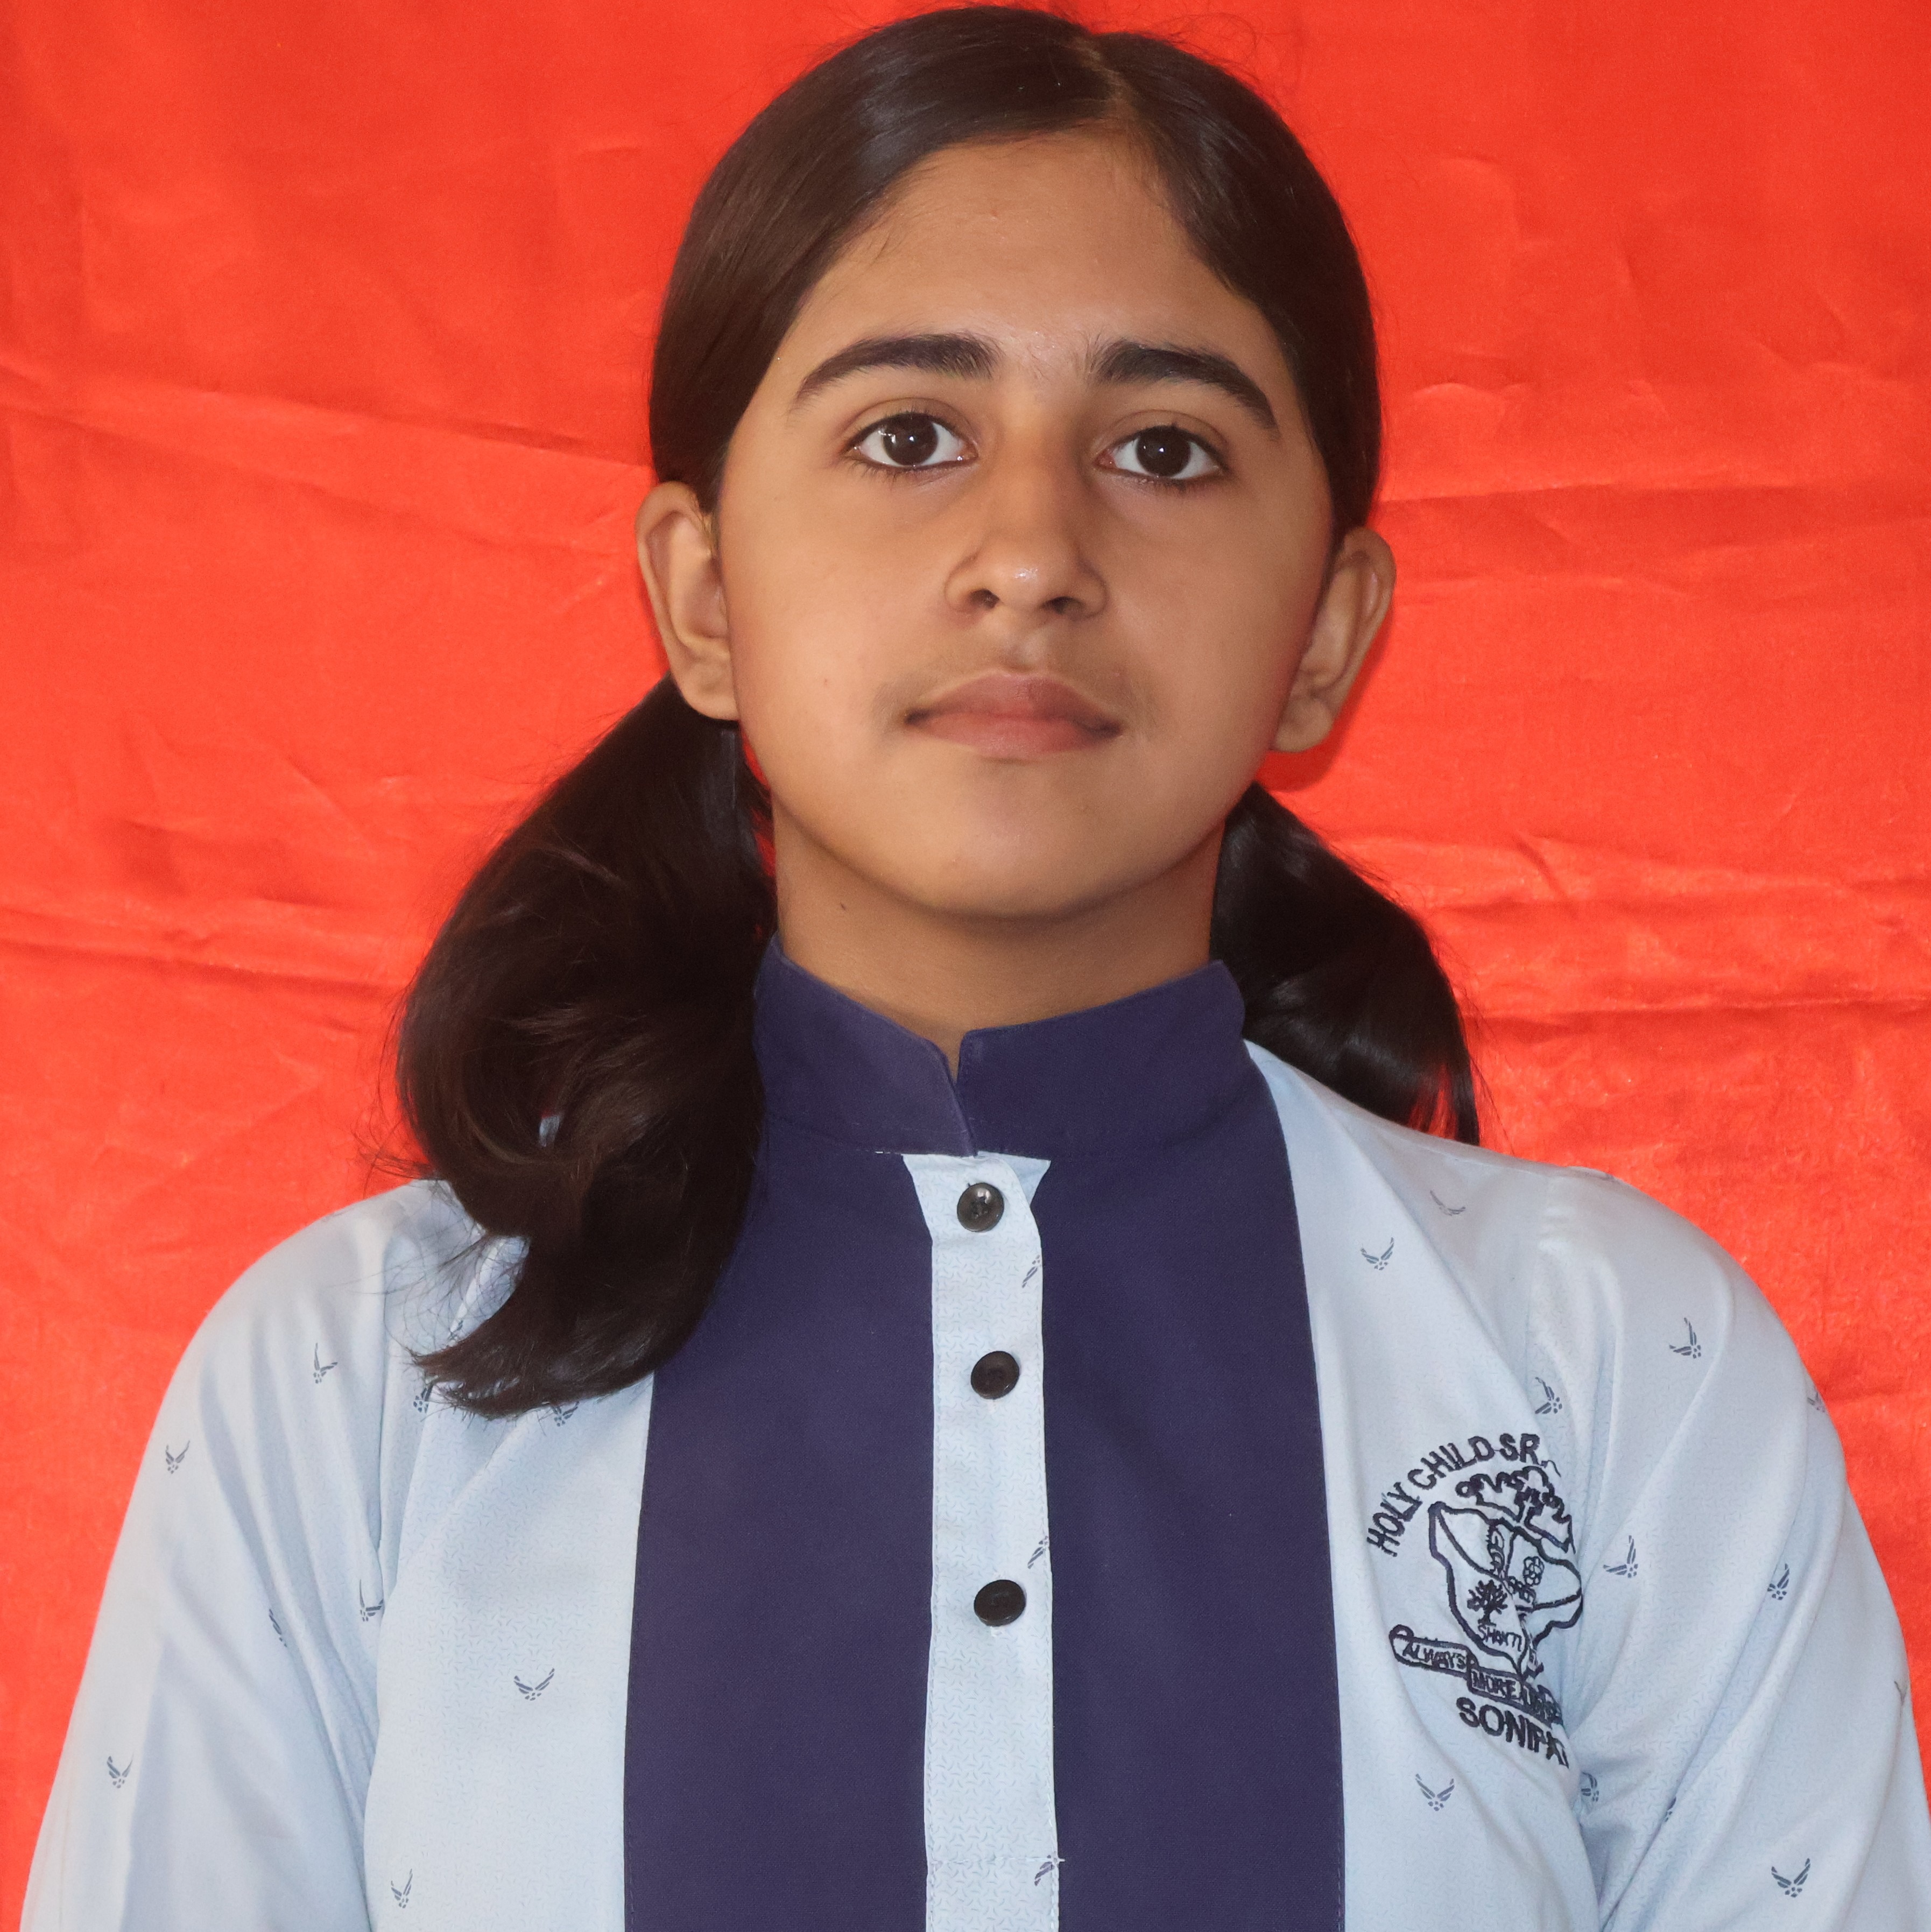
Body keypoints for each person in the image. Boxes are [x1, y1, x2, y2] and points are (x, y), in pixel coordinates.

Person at [24, 8, 1930, 1928]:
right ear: (703, 592)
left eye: (1165, 450)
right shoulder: (365, 1374)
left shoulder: (1604, 1364)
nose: (1031, 553)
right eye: (907, 437)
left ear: (1326, 633)